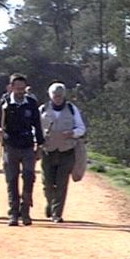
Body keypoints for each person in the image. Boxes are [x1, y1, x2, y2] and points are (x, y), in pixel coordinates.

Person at [0, 73, 44, 226]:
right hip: (10, 146)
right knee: (11, 180)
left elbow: (38, 126)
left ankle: (26, 211)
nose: (20, 91)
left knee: (29, 178)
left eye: (23, 88)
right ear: (11, 87)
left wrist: (40, 146)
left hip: (28, 146)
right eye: (17, 88)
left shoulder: (31, 103)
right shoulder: (4, 104)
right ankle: (13, 213)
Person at [39, 82, 86, 223]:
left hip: (67, 152)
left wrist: (73, 133)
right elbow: (34, 128)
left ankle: (57, 213)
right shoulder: (42, 109)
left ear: (64, 95)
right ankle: (50, 202)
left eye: (60, 95)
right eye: (55, 95)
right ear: (50, 96)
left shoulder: (72, 109)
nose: (58, 98)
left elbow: (81, 128)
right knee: (47, 184)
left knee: (61, 184)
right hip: (48, 151)